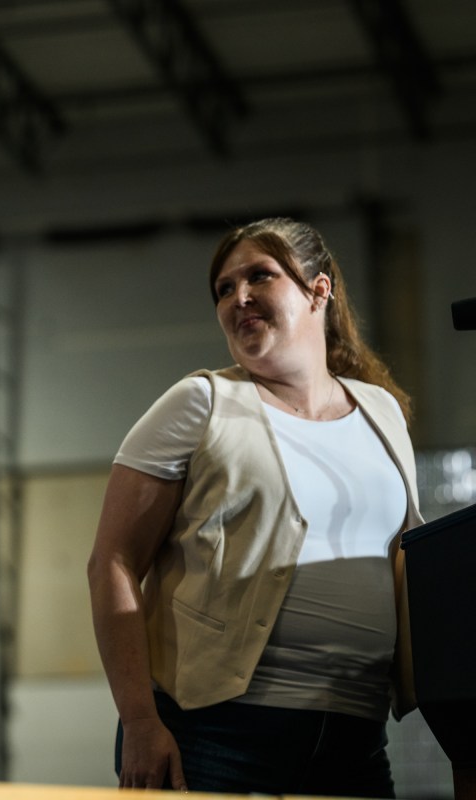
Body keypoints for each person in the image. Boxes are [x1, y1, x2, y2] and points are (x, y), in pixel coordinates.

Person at [87, 218, 422, 797]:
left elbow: (406, 558)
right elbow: (111, 561)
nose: (237, 297)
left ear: (319, 289)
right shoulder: (200, 403)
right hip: (215, 730)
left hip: (355, 730)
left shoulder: (382, 412)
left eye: (259, 276)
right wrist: (139, 719)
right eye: (223, 288)